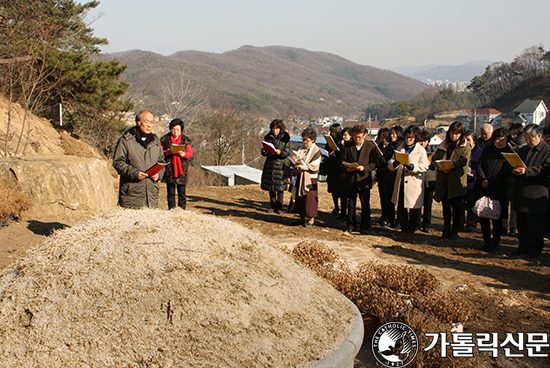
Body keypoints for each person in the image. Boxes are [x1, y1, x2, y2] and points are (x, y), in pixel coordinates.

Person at [468, 128, 512, 252]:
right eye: (497, 139)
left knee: (496, 217)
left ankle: (496, 242)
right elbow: (478, 165)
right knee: (483, 216)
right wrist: (483, 179)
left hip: (499, 189)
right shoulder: (488, 150)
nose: (500, 142)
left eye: (503, 140)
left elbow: (506, 172)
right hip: (483, 187)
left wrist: (491, 182)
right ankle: (486, 241)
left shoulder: (508, 153)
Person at [511, 124, 550, 258]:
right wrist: (514, 169)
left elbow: (546, 169)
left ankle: (535, 248)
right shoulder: (523, 150)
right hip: (521, 190)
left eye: (530, 138)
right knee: (521, 223)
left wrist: (527, 171)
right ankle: (523, 245)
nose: (527, 140)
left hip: (536, 192)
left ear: (539, 136)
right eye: (526, 138)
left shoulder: (547, 151)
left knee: (535, 224)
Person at [113, 110, 165, 208]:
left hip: (151, 196)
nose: (149, 125)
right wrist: (134, 173)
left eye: (151, 122)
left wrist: (158, 175)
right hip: (131, 196)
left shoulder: (155, 142)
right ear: (138, 122)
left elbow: (162, 162)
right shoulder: (126, 141)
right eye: (146, 122)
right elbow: (118, 162)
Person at [388, 125, 429, 241]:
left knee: (414, 208)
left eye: (411, 137)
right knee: (401, 208)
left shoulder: (420, 150)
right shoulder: (401, 147)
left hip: (413, 182)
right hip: (401, 181)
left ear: (416, 138)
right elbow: (391, 161)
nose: (408, 139)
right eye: (407, 137)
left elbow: (424, 166)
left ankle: (411, 230)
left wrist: (413, 167)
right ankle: (403, 229)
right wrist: (394, 164)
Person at [433, 121, 471, 240]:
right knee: (446, 207)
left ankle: (455, 230)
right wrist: (441, 167)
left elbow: (463, 161)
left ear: (461, 134)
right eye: (452, 133)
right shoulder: (444, 144)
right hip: (444, 180)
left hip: (456, 181)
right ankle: (446, 229)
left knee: (457, 208)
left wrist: (450, 166)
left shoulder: (465, 145)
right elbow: (435, 158)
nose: (454, 136)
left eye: (457, 134)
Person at [341, 124, 378, 235]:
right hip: (351, 178)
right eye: (356, 136)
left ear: (365, 135)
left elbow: (373, 164)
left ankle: (365, 226)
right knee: (351, 203)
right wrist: (348, 168)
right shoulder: (348, 146)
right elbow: (342, 162)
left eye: (360, 137)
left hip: (363, 178)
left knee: (365, 204)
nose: (357, 139)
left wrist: (364, 168)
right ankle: (351, 225)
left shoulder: (370, 147)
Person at [288, 127, 322, 227]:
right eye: (303, 139)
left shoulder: (316, 150)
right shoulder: (300, 148)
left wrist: (304, 166)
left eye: (306, 140)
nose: (304, 142)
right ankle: (301, 218)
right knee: (300, 198)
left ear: (312, 140)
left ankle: (311, 219)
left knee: (310, 199)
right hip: (300, 175)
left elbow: (315, 166)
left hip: (310, 177)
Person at [160, 118, 193, 210]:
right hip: (169, 168)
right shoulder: (165, 139)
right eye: (173, 129)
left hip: (181, 169)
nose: (175, 132)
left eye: (178, 130)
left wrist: (184, 154)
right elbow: (160, 153)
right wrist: (167, 152)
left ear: (181, 130)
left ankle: (182, 209)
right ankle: (171, 208)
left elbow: (190, 153)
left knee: (181, 191)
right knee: (170, 191)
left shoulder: (185, 140)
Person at [261, 119, 290, 214]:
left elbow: (287, 152)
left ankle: (280, 207)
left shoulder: (285, 138)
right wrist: (264, 151)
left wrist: (280, 152)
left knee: (280, 187)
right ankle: (272, 206)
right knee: (271, 187)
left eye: (277, 129)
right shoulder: (268, 137)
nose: (275, 131)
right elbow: (265, 153)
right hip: (270, 163)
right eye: (273, 128)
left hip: (281, 164)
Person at [382, 126, 404, 228]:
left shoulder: (401, 146)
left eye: (394, 134)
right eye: (391, 133)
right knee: (388, 198)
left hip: (398, 175)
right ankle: (390, 219)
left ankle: (399, 220)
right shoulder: (390, 146)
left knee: (399, 199)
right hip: (388, 175)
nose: (392, 135)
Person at [323, 123, 346, 217]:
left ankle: (342, 209)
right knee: (333, 188)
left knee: (340, 189)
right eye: (331, 132)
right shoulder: (329, 141)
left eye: (334, 132)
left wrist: (336, 152)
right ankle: (336, 207)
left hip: (339, 167)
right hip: (331, 167)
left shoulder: (342, 142)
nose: (333, 134)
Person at [463, 131, 482, 232]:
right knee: (461, 202)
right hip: (462, 179)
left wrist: (474, 173)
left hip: (474, 181)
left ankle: (471, 224)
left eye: (469, 140)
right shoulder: (461, 150)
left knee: (472, 201)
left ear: (474, 141)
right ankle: (460, 222)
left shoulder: (480, 152)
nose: (467, 142)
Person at [418, 129, 437, 233]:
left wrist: (430, 164)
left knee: (428, 203)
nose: (423, 143)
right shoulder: (416, 151)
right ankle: (416, 223)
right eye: (421, 141)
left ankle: (426, 224)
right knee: (417, 203)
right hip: (418, 179)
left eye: (425, 141)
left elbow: (436, 166)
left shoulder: (433, 151)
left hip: (429, 180)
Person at [375, 128, 391, 226]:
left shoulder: (391, 148)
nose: (382, 139)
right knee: (382, 195)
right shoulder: (379, 146)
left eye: (384, 136)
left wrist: (381, 159)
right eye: (381, 136)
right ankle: (383, 214)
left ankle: (389, 217)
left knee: (388, 197)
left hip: (388, 174)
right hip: (380, 174)